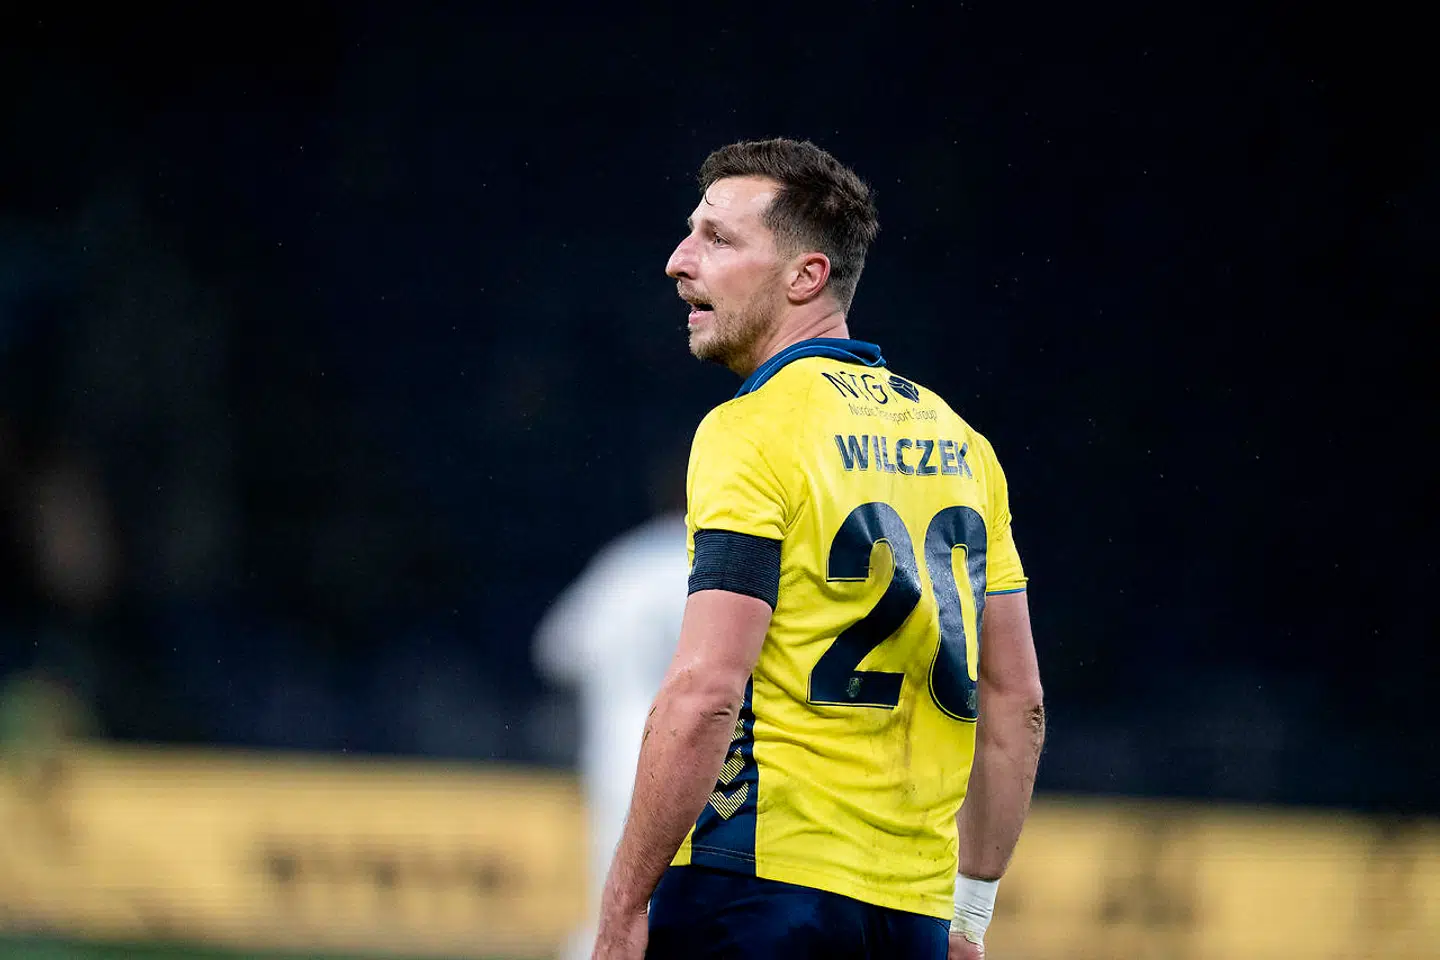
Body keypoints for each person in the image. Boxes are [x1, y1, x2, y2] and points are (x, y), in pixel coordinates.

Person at [591, 139, 1045, 960]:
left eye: (718, 239)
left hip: (757, 884)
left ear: (805, 276)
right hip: (910, 913)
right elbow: (1018, 704)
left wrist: (624, 904)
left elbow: (704, 692)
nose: (677, 260)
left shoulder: (752, 429)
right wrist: (968, 919)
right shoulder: (963, 444)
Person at [533, 463, 689, 960]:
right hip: (707, 764)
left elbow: (556, 651)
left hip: (616, 759)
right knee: (690, 903)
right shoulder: (721, 563)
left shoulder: (627, 564)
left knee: (614, 904)